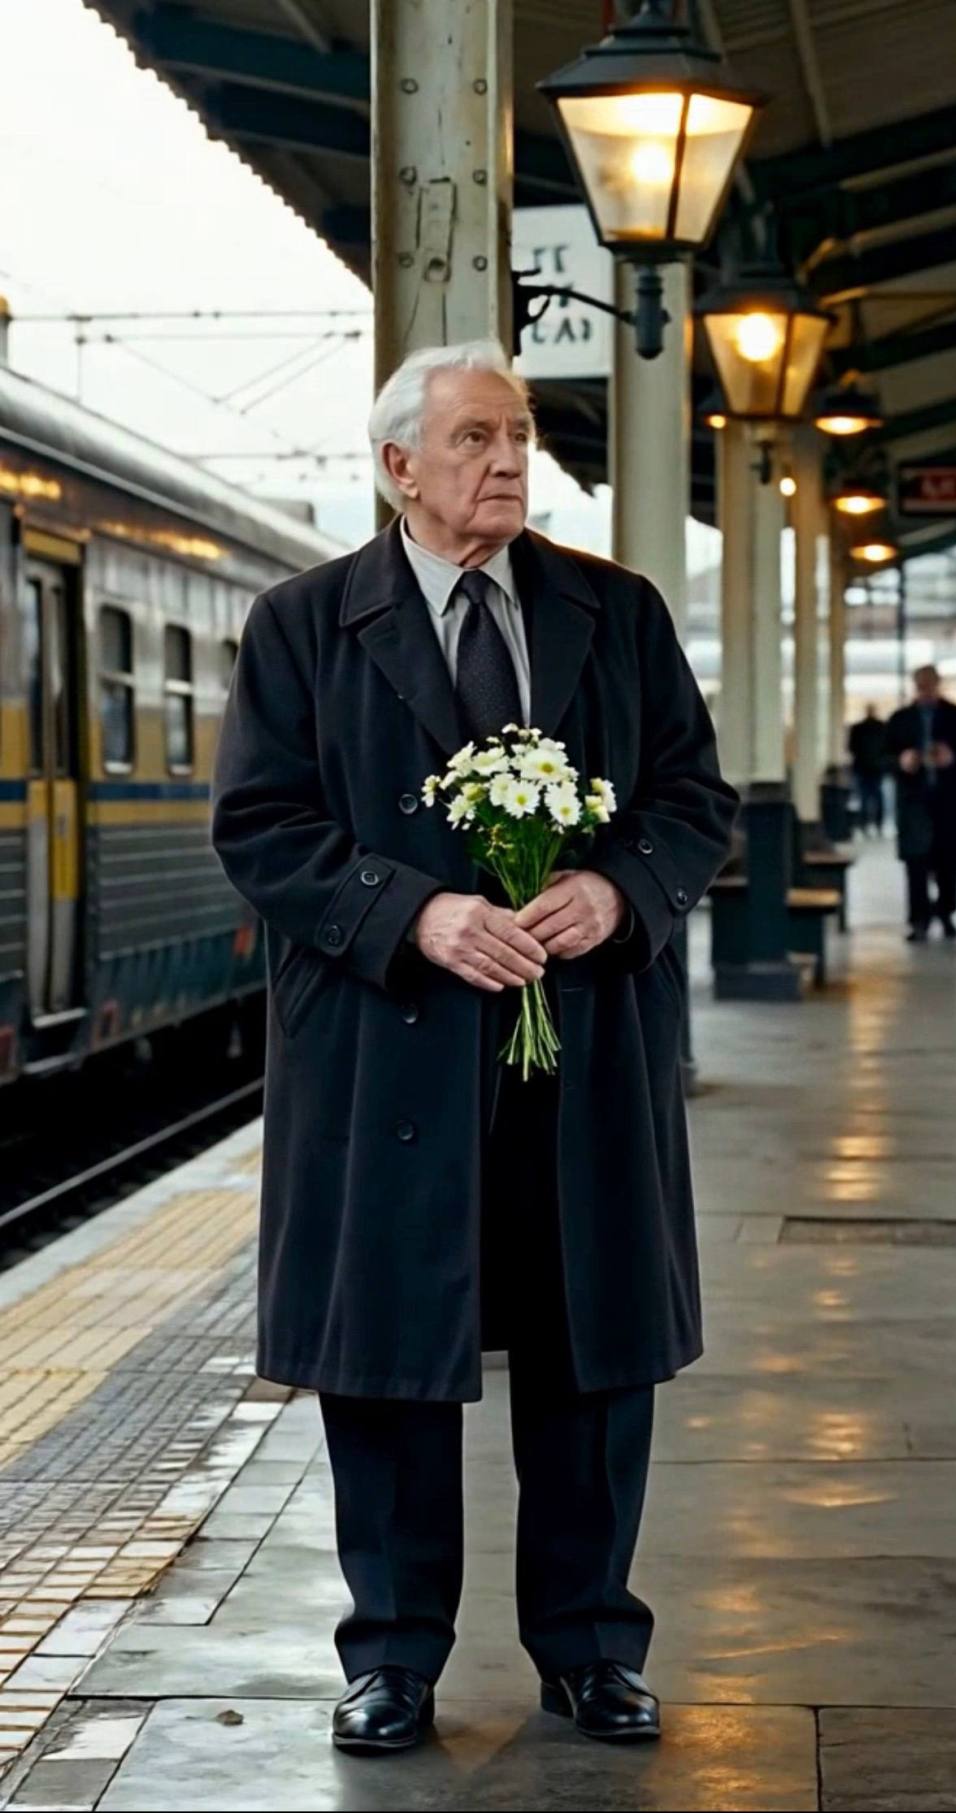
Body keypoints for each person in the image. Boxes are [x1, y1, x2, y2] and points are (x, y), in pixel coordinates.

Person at [210, 342, 737, 1755]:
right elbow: (260, 830)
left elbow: (695, 796)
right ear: (399, 466)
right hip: (387, 1056)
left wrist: (620, 889)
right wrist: (417, 912)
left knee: (591, 1347)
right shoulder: (304, 625)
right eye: (475, 440)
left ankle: (590, 1649)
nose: (508, 461)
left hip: (583, 1056)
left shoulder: (614, 615)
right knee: (383, 1360)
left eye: (517, 436)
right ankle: (390, 1658)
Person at [885, 665, 956, 941]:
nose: (925, 691)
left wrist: (954, 758)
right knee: (916, 862)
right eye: (921, 686)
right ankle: (919, 918)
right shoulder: (900, 720)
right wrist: (901, 761)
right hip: (914, 801)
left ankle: (947, 913)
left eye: (930, 685)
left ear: (938, 685)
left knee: (948, 861)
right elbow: (881, 756)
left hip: (949, 801)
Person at [847, 704, 888, 834]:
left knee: (865, 796)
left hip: (864, 767)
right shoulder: (882, 727)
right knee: (876, 796)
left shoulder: (858, 728)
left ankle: (865, 824)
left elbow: (851, 747)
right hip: (876, 767)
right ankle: (877, 824)